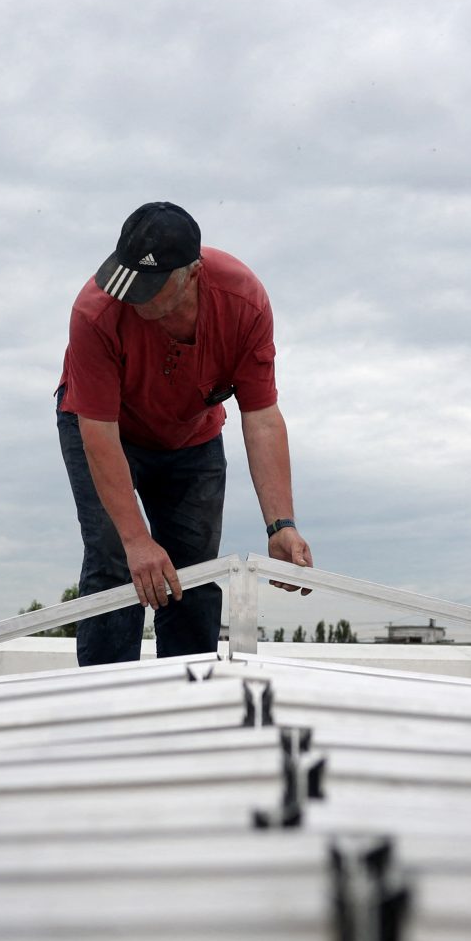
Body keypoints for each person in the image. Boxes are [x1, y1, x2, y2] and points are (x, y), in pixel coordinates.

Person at [56, 200, 313, 666]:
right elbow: (97, 429)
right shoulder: (95, 312)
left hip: (192, 437)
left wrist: (281, 525)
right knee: (116, 562)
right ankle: (102, 707)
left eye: (150, 286)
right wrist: (136, 540)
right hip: (107, 430)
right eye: (129, 279)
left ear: (192, 274)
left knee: (191, 572)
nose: (133, 296)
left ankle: (188, 698)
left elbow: (261, 416)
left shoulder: (243, 302)